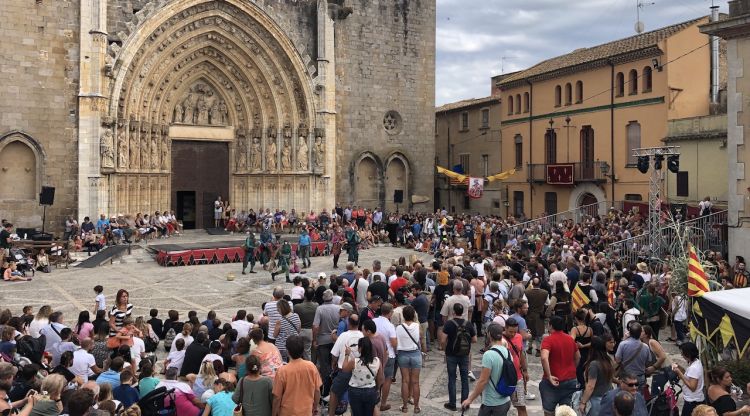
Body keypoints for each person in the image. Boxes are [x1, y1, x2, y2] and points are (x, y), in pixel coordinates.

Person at [461, 322, 512, 416]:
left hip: (491, 403)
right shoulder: (508, 353)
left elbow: (483, 380)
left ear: (489, 335)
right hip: (505, 400)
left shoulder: (489, 355)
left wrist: (470, 399)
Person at [271, 335, 322, 416]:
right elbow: (317, 391)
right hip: (306, 411)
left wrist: (274, 413)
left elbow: (277, 397)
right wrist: (315, 408)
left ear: (287, 351)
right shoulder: (311, 367)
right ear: (303, 350)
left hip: (287, 412)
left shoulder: (282, 371)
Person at [540, 316, 580, 416]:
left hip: (552, 382)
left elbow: (544, 358)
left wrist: (549, 375)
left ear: (550, 326)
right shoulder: (570, 339)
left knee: (549, 412)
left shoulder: (548, 340)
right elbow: (578, 357)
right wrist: (572, 369)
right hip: (570, 380)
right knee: (565, 413)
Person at [440, 303, 476, 411]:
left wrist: (445, 349)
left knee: (452, 378)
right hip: (464, 355)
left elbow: (442, 340)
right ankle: (465, 403)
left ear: (453, 312)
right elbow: (474, 340)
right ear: (463, 312)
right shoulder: (468, 324)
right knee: (464, 379)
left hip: (451, 354)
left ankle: (452, 404)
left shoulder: (449, 324)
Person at [343, 337, 383, 416]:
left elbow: (344, 369)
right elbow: (380, 378)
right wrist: (377, 389)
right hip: (370, 391)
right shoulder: (377, 361)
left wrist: (347, 354)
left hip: (355, 391)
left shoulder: (355, 361)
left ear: (360, 349)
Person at [578, 336, 614, 416]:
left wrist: (583, 402)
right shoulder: (607, 361)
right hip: (608, 398)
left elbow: (590, 386)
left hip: (596, 401)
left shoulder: (594, 364)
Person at [396, 305, 422, 413]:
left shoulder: (398, 327)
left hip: (403, 354)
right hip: (415, 354)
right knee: (415, 382)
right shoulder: (417, 326)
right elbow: (420, 337)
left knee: (405, 381)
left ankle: (405, 406)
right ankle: (416, 407)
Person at [673, 342, 705, 416]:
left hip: (693, 402)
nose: (681, 355)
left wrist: (679, 373)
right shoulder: (696, 362)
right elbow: (688, 376)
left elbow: (692, 387)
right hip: (694, 399)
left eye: (682, 353)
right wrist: (680, 368)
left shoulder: (694, 368)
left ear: (688, 354)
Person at [614, 322, 650, 388]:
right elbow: (647, 361)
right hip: (640, 377)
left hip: (625, 377)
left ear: (630, 332)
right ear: (640, 333)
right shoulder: (646, 347)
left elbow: (617, 360)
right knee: (638, 397)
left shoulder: (623, 344)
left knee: (623, 397)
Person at [570, 308, 592, 388]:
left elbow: (571, 341)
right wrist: (584, 345)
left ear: (576, 319)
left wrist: (579, 346)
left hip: (578, 353)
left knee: (578, 371)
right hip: (587, 354)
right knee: (585, 371)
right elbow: (592, 342)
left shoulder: (575, 329)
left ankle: (582, 387)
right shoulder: (590, 329)